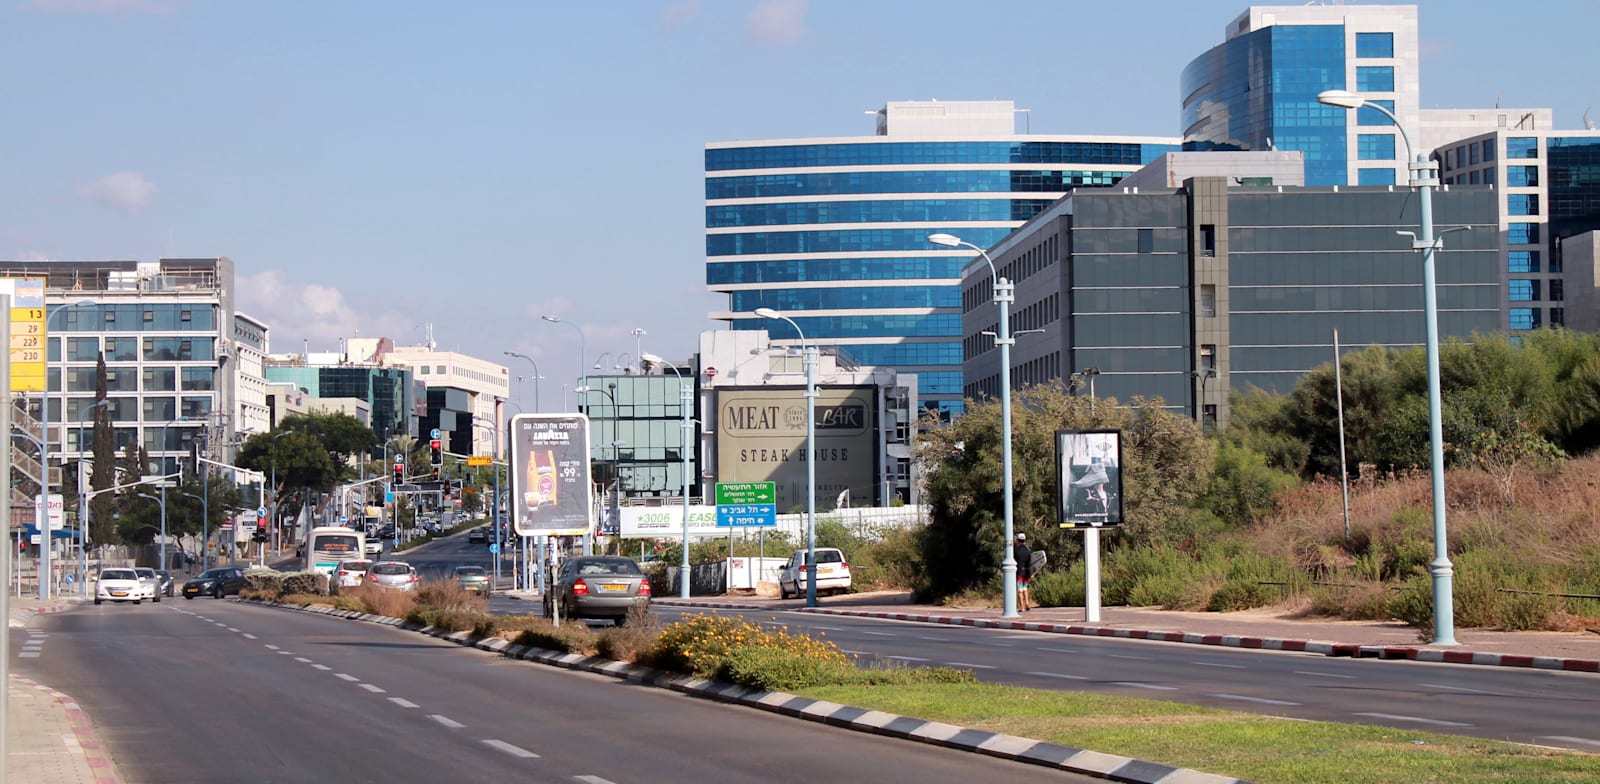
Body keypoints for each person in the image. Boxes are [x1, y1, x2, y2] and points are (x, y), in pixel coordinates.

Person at [1012, 533, 1033, 611]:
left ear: (1018, 540)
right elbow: (1031, 562)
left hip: (1019, 572)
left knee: (1020, 589)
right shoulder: (1029, 549)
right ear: (1025, 540)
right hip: (1027, 572)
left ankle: (1022, 607)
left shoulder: (1016, 550)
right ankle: (1027, 603)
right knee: (1025, 588)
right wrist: (1031, 573)